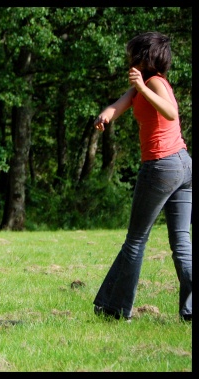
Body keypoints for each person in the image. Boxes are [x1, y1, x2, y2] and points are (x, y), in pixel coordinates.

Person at [92, 32, 192, 322]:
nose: (128, 58)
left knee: (135, 240)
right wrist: (105, 115)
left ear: (144, 57)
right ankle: (190, 311)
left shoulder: (155, 83)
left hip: (162, 166)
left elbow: (171, 113)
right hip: (182, 165)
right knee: (181, 242)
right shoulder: (141, 87)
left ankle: (113, 308)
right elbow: (118, 105)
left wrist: (143, 88)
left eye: (132, 53)